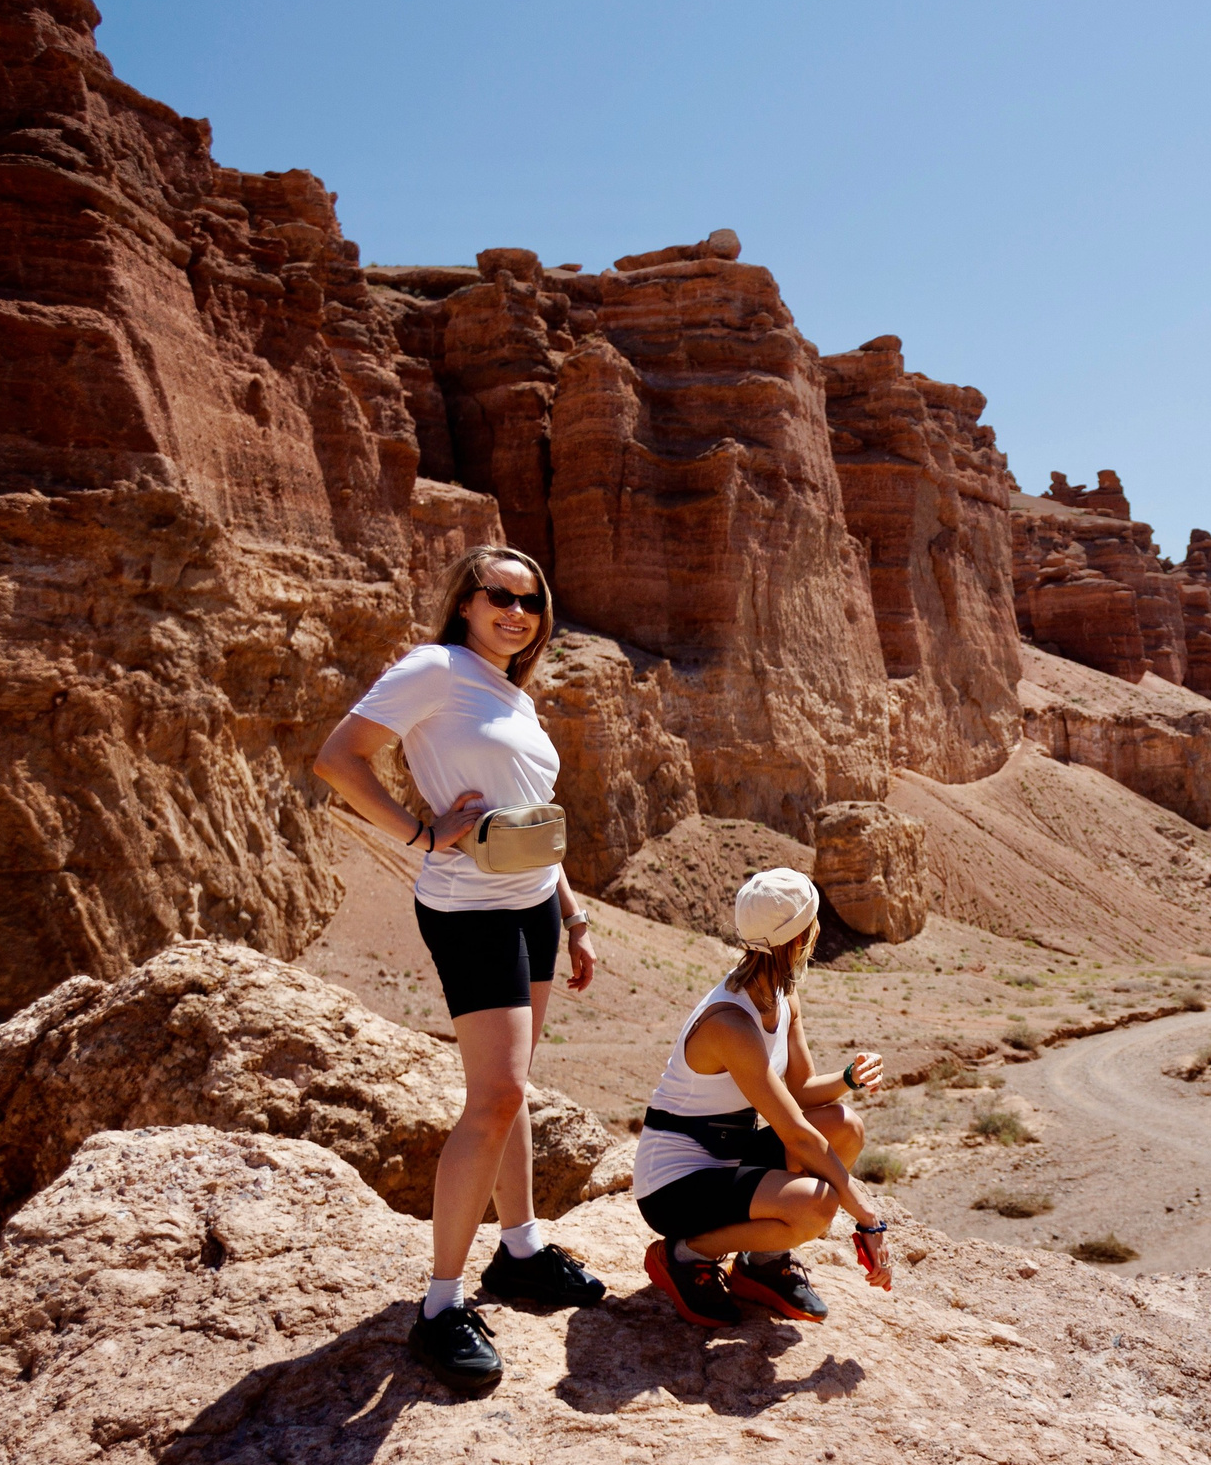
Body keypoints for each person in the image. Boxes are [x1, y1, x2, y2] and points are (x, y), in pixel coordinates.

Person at [315, 545, 605, 1395]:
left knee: (512, 1088)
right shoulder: (435, 668)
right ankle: (439, 1307)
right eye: (501, 596)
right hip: (469, 905)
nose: (519, 611)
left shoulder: (510, 690)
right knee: (496, 1097)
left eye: (533, 600)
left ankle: (519, 1252)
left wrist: (573, 914)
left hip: (529, 903)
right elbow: (340, 757)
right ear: (467, 602)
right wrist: (418, 832)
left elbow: (533, 817)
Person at [634, 867, 894, 1327]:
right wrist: (867, 1216)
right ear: (800, 938)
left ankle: (762, 1264)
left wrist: (848, 1078)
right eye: (814, 922)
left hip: (727, 1159)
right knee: (816, 1205)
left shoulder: (782, 994)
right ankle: (682, 1253)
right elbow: (795, 1132)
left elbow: (800, 1093)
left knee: (844, 1125)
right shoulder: (730, 1024)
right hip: (674, 1186)